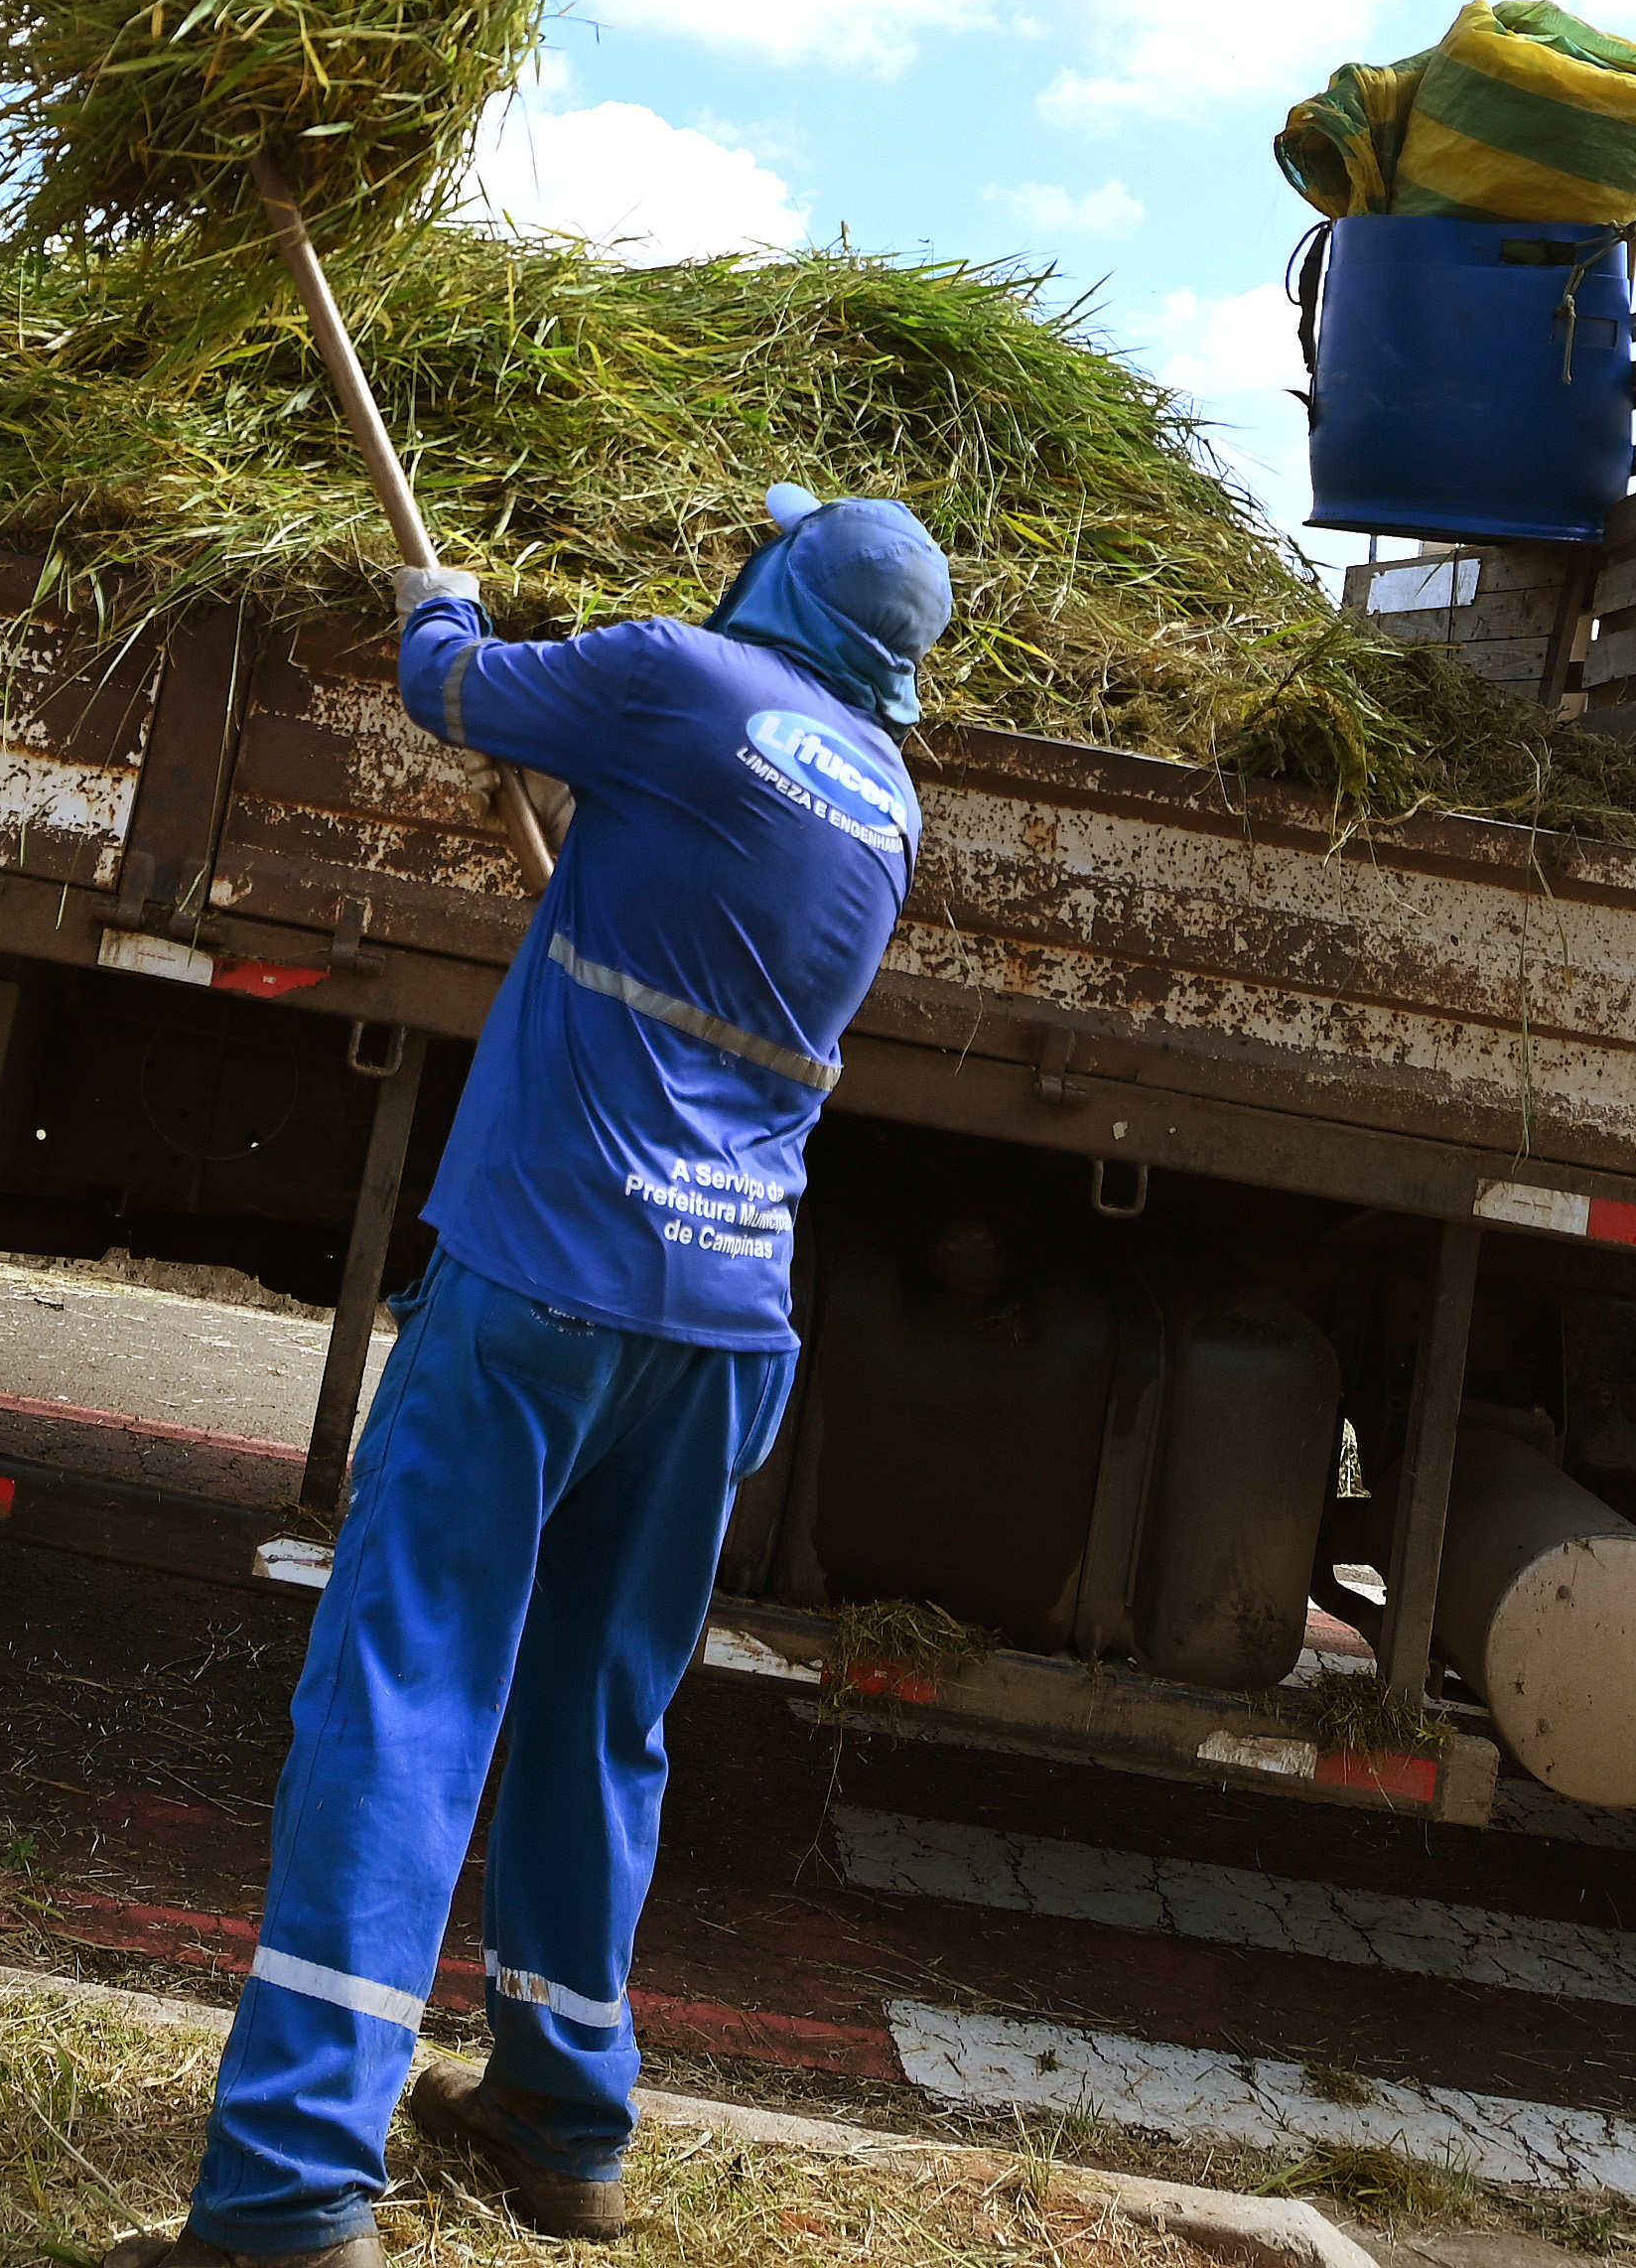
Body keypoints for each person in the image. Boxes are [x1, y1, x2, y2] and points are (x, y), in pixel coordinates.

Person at [137, 484, 955, 2263]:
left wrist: (437, 595)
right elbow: (683, 887)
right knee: (600, 1717)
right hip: (723, 1319)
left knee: (407, 1691)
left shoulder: (680, 683)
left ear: (782, 579)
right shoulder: (889, 800)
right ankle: (562, 2116)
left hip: (543, 1280)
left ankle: (288, 2191)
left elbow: (451, 690)